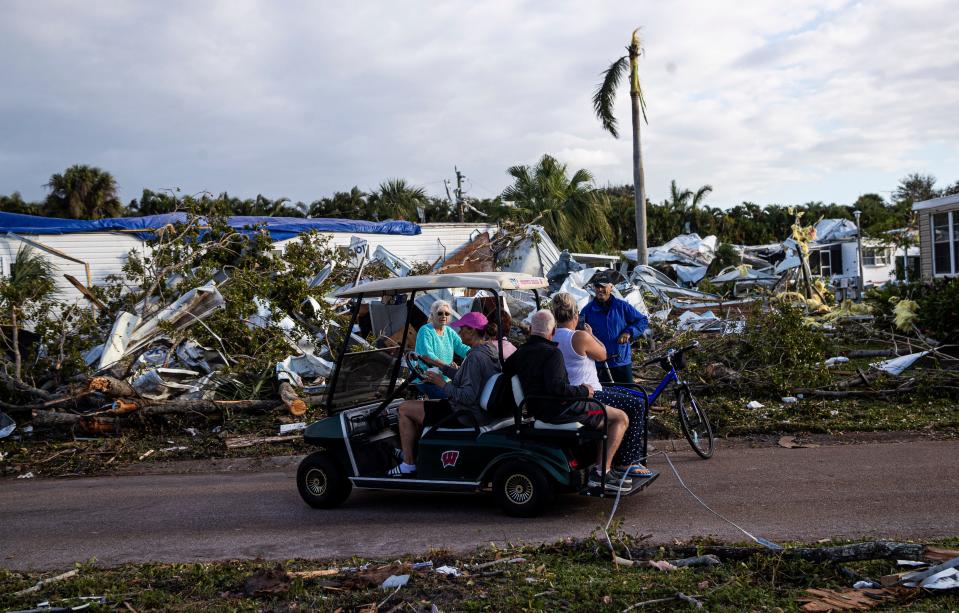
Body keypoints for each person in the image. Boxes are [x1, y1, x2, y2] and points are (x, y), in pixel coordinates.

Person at [503, 309, 633, 493]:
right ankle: (601, 473)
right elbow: (557, 388)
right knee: (620, 418)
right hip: (559, 409)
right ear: (553, 331)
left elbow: (506, 370)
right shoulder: (552, 353)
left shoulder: (520, 353)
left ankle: (599, 466)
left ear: (531, 329)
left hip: (536, 407)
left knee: (603, 420)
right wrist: (584, 390)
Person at [550, 292, 652, 478]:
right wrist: (591, 335)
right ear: (575, 315)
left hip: (574, 392)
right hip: (589, 393)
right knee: (637, 403)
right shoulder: (579, 337)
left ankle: (619, 456)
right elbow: (603, 354)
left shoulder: (552, 336)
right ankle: (626, 461)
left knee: (630, 398)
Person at [390, 312, 500, 476]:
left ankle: (408, 464)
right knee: (420, 407)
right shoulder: (489, 350)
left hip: (465, 413)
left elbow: (467, 396)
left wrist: (440, 383)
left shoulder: (475, 357)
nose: (459, 333)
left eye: (462, 329)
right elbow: (467, 379)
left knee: (405, 408)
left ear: (472, 331)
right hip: (475, 410)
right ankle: (413, 452)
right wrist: (439, 365)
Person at [579, 271, 649, 384]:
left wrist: (629, 332)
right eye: (597, 286)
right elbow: (578, 332)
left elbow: (642, 320)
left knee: (627, 396)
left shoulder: (622, 306)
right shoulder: (587, 310)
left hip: (621, 362)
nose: (600, 289)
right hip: (598, 364)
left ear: (611, 287)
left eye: (603, 286)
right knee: (603, 398)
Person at [412, 300, 471, 399]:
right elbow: (427, 355)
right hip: (427, 378)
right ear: (433, 315)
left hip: (445, 378)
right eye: (440, 313)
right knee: (452, 400)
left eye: (447, 313)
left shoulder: (449, 331)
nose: (444, 316)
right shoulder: (425, 330)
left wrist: (476, 352)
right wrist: (448, 368)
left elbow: (461, 347)